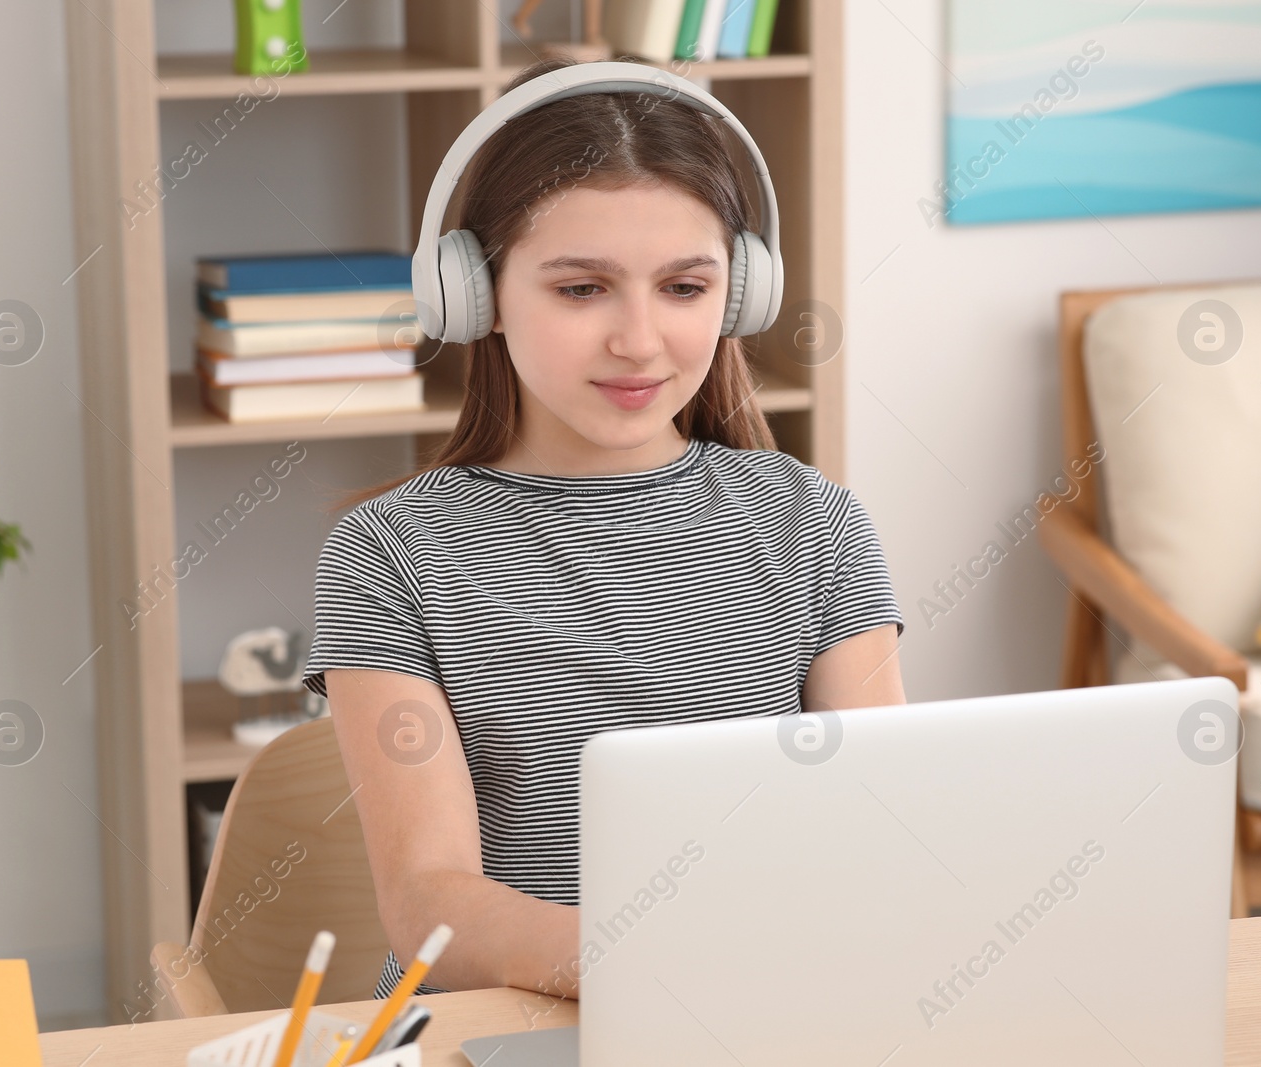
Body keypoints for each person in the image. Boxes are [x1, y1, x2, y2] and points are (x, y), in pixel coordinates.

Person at [300, 55, 905, 1002]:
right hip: (504, 1018)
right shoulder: (390, 554)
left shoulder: (811, 524)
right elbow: (429, 902)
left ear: (738, 294)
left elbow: (881, 823)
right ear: (475, 292)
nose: (638, 339)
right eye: (582, 289)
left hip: (758, 1007)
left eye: (684, 287)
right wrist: (658, 967)